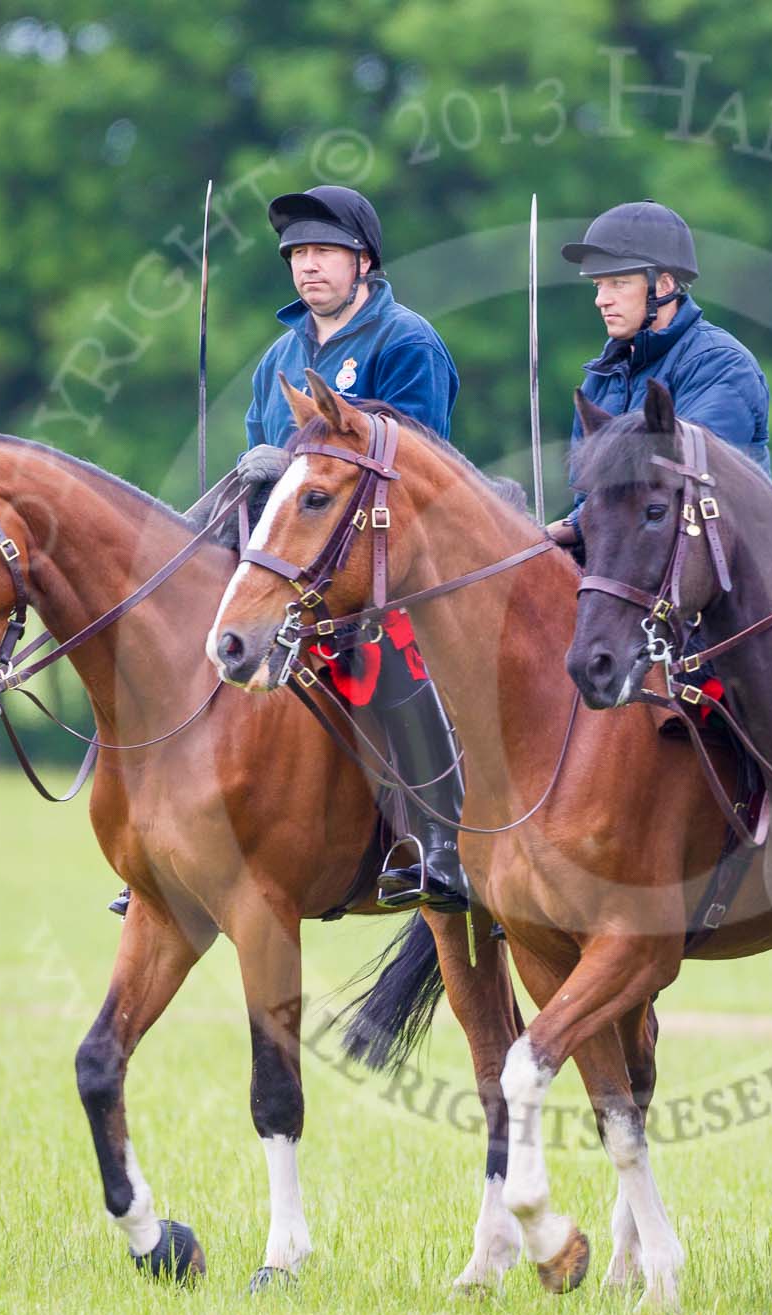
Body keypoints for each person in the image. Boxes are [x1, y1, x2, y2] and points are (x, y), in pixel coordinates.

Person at [113, 185, 468, 919]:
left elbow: (420, 460)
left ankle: (439, 842)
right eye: (298, 256)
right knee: (177, 640)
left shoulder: (407, 341)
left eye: (324, 254)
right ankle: (164, 834)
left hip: (379, 560)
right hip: (290, 555)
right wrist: (258, 469)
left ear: (363, 262)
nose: (308, 268)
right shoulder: (281, 351)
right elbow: (260, 446)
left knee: (393, 656)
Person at [548, 200, 771, 546]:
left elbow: (679, 483)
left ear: (664, 285)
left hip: (723, 573)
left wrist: (566, 529)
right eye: (598, 285)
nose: (601, 300)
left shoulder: (721, 363)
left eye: (618, 283)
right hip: (629, 565)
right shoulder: (602, 377)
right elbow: (589, 499)